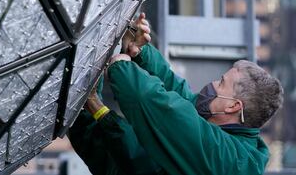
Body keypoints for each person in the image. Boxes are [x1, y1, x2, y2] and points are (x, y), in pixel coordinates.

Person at [69, 13, 284, 175]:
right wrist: (141, 51)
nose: (212, 84)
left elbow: (167, 112)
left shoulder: (231, 163)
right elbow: (181, 96)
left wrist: (122, 70)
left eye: (221, 82)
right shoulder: (221, 128)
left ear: (233, 106)